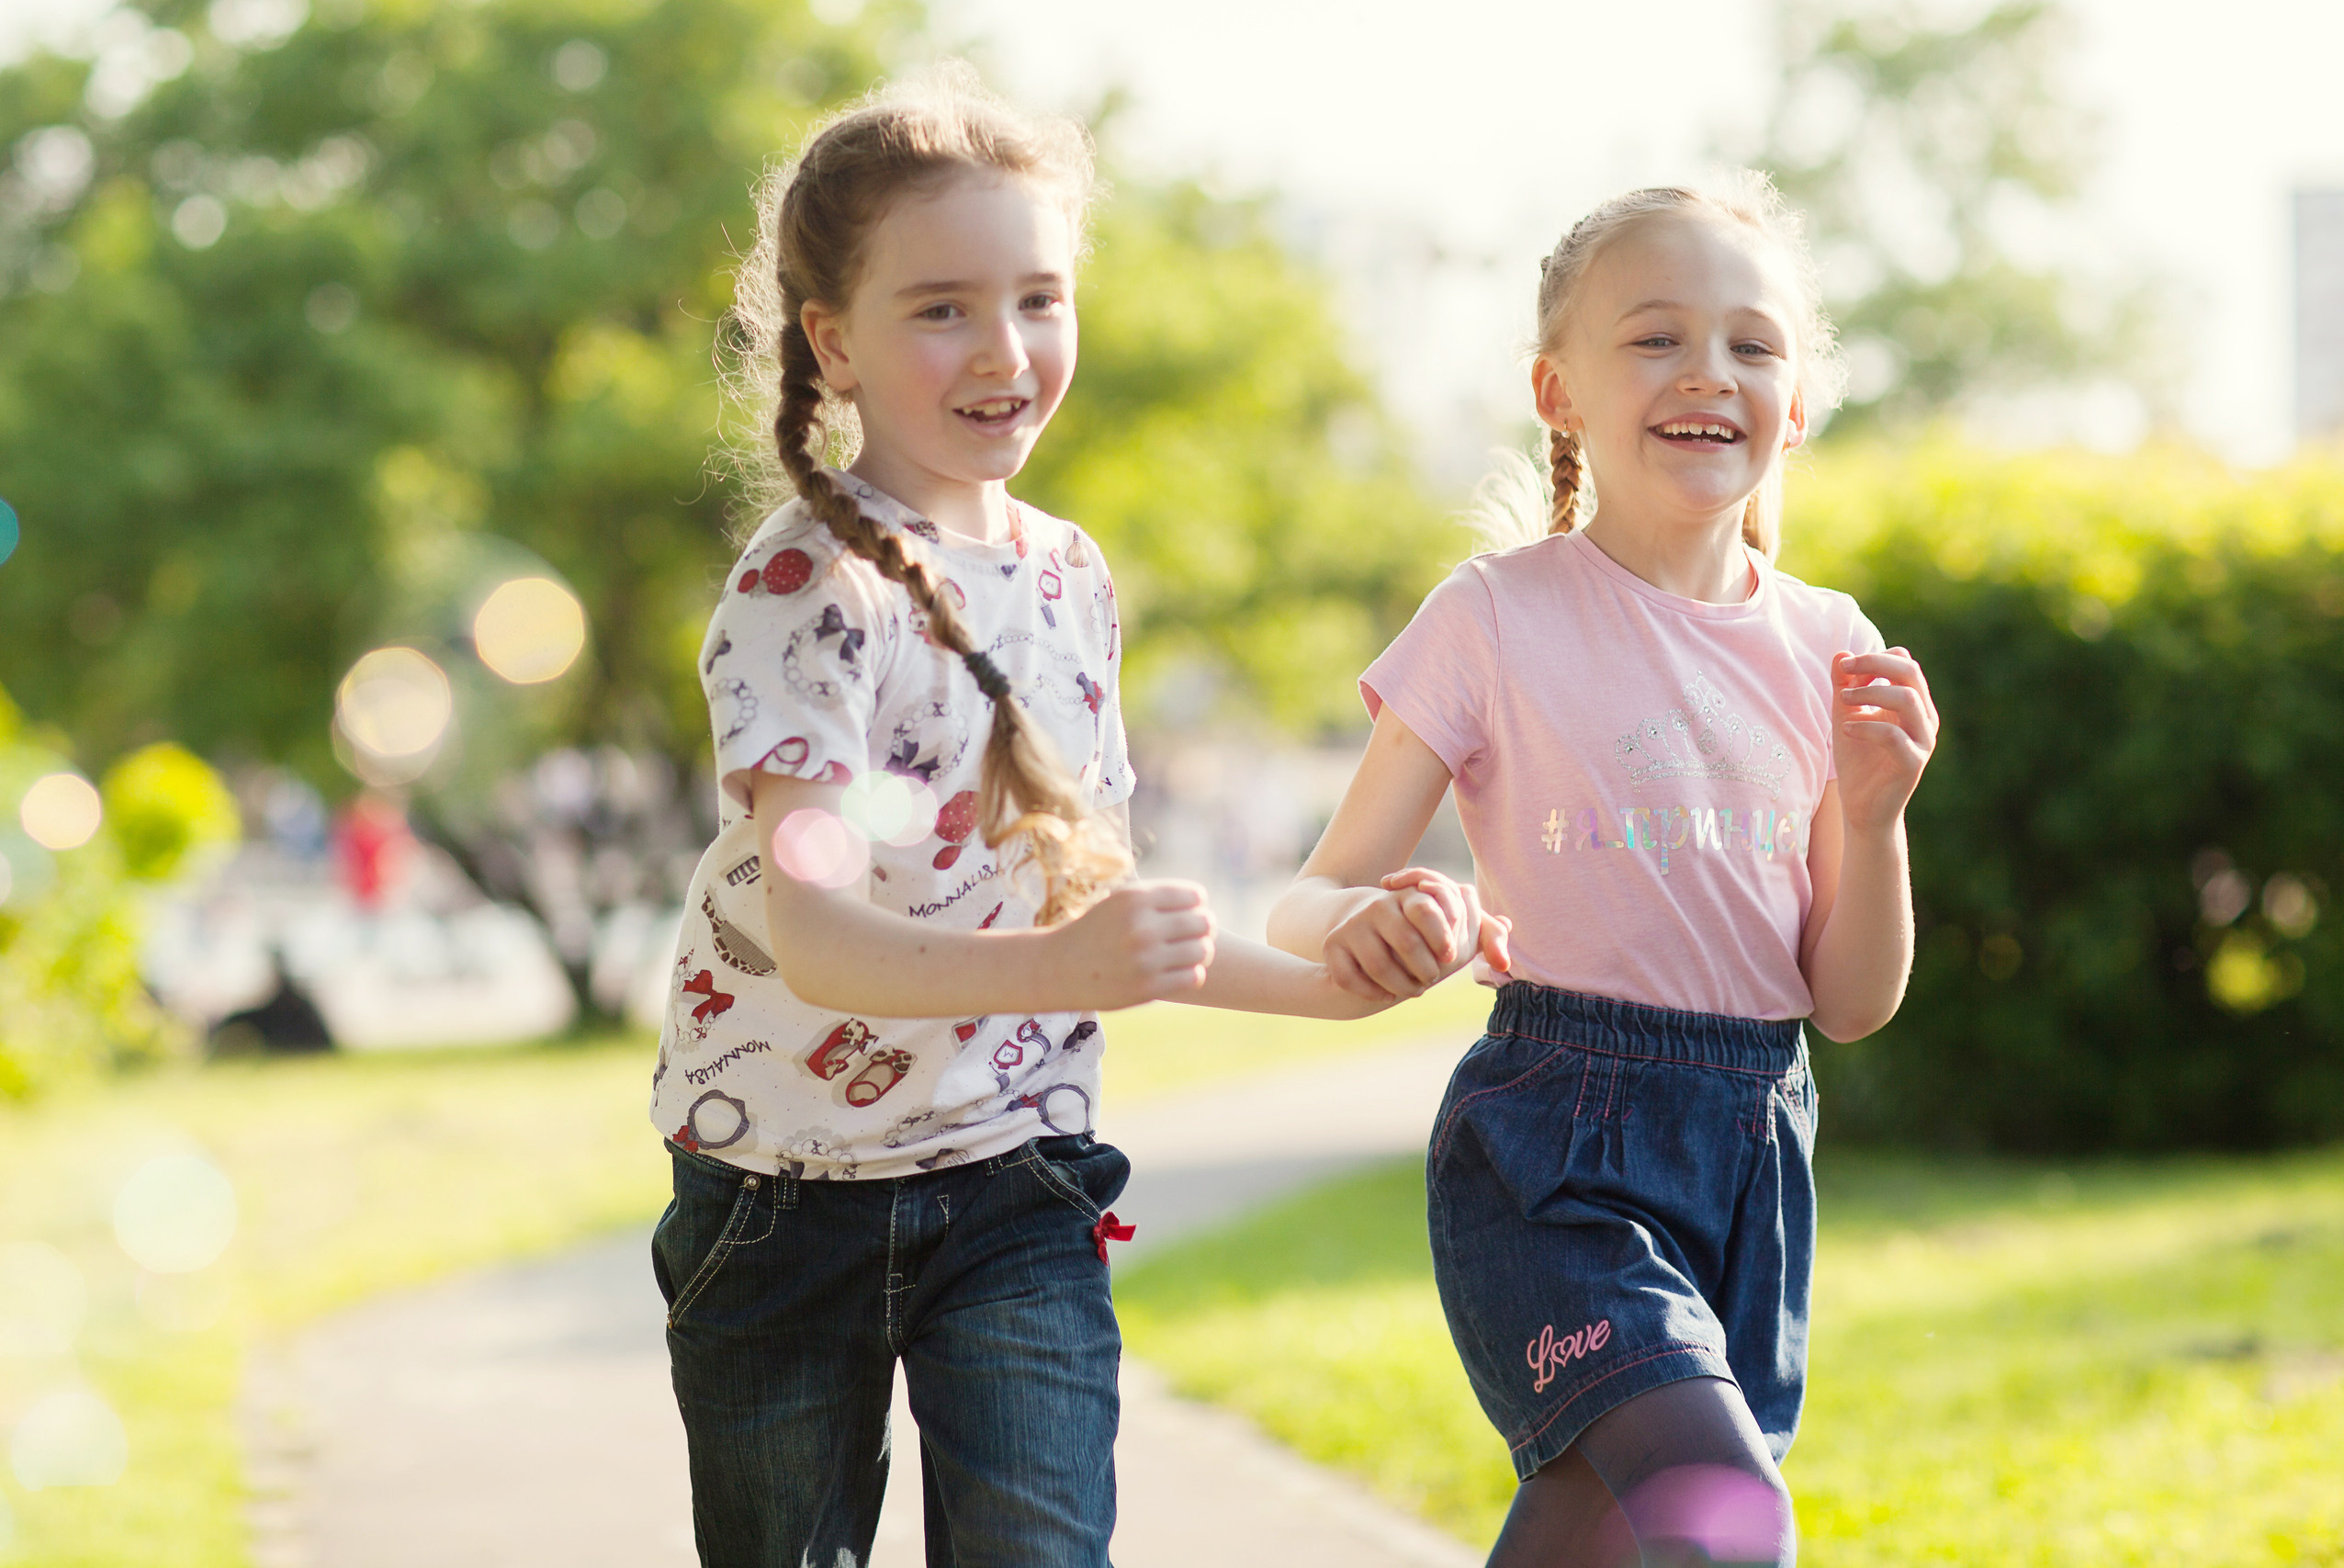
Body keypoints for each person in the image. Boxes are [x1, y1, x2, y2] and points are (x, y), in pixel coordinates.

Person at [648, 69, 1492, 1568]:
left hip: (1017, 1180)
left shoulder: (1069, 578)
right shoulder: (804, 593)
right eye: (943, 308)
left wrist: (1333, 987)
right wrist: (1072, 970)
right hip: (780, 1200)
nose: (1007, 350)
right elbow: (822, 938)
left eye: (1040, 299)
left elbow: (1089, 901)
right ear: (832, 343)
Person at [1267, 176, 1939, 1567]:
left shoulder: (1833, 642)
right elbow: (1307, 895)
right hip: (1555, 1148)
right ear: (1555, 389)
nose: (1710, 373)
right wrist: (1377, 914)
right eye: (1655, 339)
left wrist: (1872, 821)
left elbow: (1851, 1001)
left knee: (1599, 1528)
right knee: (1725, 1520)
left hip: (1757, 1146)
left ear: (1797, 402)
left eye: (1754, 345)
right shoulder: (1492, 616)